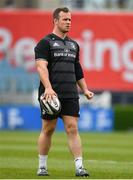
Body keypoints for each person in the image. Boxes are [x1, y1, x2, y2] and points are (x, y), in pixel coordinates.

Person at [34, 7, 94, 177]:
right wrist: (48, 88)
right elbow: (41, 67)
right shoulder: (44, 43)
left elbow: (77, 70)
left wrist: (85, 89)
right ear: (55, 20)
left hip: (70, 93)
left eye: (70, 20)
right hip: (51, 94)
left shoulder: (74, 45)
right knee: (48, 129)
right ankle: (42, 167)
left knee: (72, 128)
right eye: (65, 19)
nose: (68, 22)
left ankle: (79, 167)